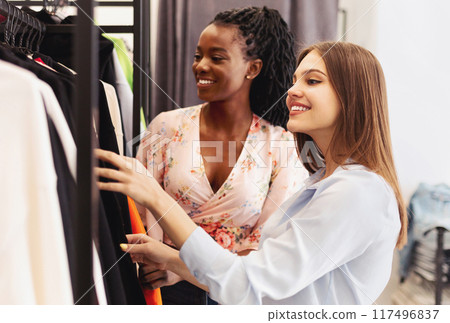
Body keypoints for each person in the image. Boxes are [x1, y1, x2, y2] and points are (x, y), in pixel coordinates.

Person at [96, 41, 408, 305]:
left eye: (312, 81)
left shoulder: (356, 192)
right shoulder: (323, 182)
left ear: (352, 96)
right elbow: (261, 280)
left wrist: (155, 197)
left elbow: (250, 284)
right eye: (295, 80)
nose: (293, 90)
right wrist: (173, 261)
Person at [133, 7, 307, 304]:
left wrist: (183, 268)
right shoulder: (166, 127)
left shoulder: (279, 144)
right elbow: (138, 211)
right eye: (197, 56)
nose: (200, 66)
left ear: (252, 69)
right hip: (161, 292)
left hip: (237, 297)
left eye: (216, 58)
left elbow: (269, 248)